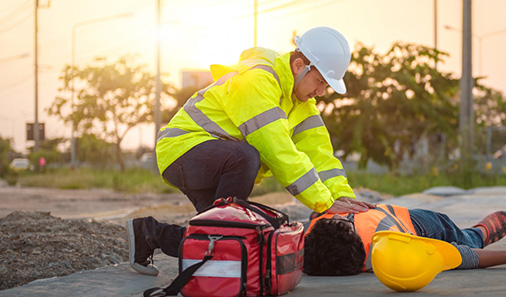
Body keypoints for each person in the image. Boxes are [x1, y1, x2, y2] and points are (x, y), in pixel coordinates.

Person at [127, 26, 374, 276]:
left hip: (214, 162)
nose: (321, 92)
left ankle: (149, 234)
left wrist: (344, 203)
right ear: (300, 66)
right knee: (247, 158)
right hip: (182, 151)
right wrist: (324, 202)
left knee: (234, 240)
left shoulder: (302, 107)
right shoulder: (257, 79)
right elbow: (277, 150)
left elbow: (322, 159)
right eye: (320, 81)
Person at [303, 204, 506, 276]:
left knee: (450, 230)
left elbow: (458, 256)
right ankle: (475, 234)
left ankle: (474, 234)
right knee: (453, 236)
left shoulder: (395, 244)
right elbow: (455, 256)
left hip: (409, 219)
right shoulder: (309, 232)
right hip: (402, 221)